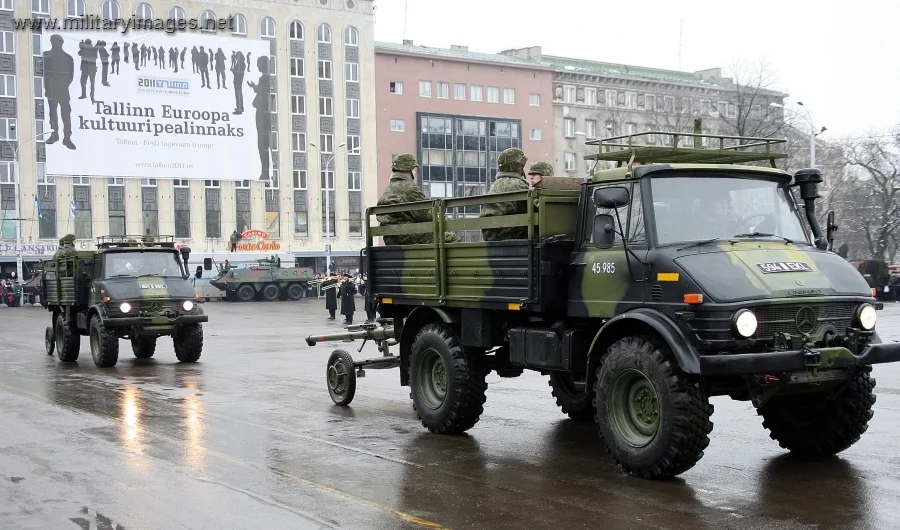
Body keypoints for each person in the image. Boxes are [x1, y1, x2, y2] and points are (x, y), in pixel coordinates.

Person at [376, 154, 460, 245]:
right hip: (409, 237)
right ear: (408, 169)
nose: (414, 172)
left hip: (391, 239)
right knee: (453, 238)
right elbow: (426, 215)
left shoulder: (389, 189)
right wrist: (440, 216)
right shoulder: (410, 188)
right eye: (413, 169)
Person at [480, 148, 532, 241]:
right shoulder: (517, 183)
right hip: (502, 233)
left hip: (491, 233)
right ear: (517, 166)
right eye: (521, 166)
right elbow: (531, 209)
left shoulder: (498, 183)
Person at [43, 34, 76, 150]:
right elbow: (45, 74)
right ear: (51, 42)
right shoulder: (46, 56)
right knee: (53, 114)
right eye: (54, 42)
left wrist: (63, 86)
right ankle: (54, 135)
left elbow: (70, 76)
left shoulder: (68, 58)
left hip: (63, 90)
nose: (57, 44)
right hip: (51, 90)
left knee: (66, 114)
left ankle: (67, 138)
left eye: (58, 42)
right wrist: (48, 88)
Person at [248, 56, 272, 181]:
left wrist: (256, 88)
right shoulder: (265, 78)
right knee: (262, 145)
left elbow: (265, 92)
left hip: (263, 115)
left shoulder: (266, 78)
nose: (258, 67)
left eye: (259, 64)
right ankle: (265, 172)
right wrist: (255, 87)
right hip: (263, 114)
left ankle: (265, 173)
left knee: (263, 145)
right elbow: (263, 91)